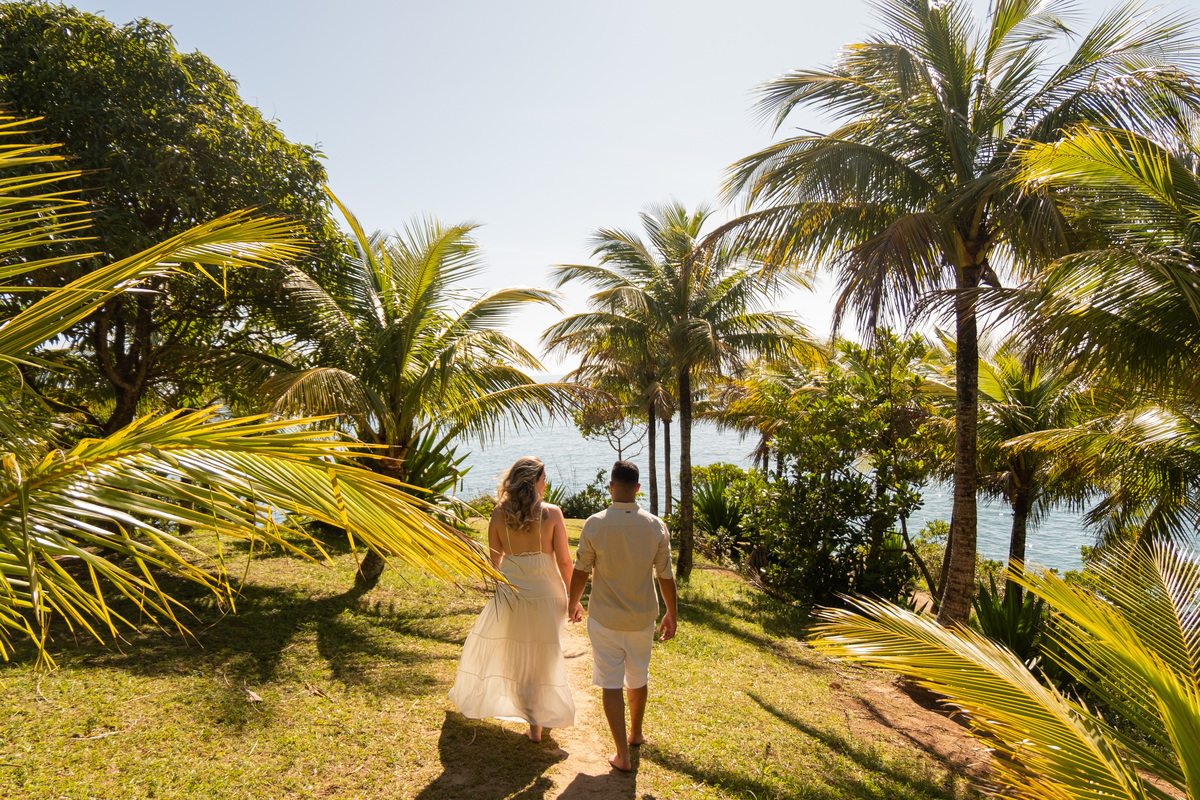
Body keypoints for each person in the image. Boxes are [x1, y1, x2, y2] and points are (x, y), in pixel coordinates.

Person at [449, 456, 575, 742]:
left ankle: (533, 721)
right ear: (535, 481)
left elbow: (495, 563)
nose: (546, 482)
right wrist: (573, 598)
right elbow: (566, 562)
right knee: (544, 654)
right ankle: (538, 719)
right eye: (544, 477)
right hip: (548, 593)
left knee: (518, 655)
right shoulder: (552, 514)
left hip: (513, 594)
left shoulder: (497, 515)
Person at [568, 460, 678, 772]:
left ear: (611, 488)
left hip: (604, 618)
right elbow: (665, 575)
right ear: (638, 489)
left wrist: (572, 603)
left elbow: (581, 570)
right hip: (642, 618)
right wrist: (672, 613)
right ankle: (636, 733)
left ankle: (622, 755)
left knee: (611, 683)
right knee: (638, 676)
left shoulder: (595, 523)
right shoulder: (656, 526)